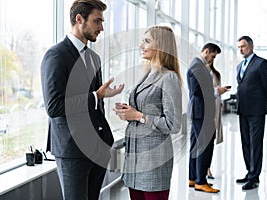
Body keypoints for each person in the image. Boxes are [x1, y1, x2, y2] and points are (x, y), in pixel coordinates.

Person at [40, 0, 124, 199]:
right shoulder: (56, 55)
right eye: (97, 21)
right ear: (79, 19)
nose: (102, 27)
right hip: (72, 150)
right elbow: (54, 107)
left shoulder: (93, 58)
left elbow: (94, 103)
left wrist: (102, 97)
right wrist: (96, 96)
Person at [114, 26, 182, 200]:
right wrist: (127, 112)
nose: (141, 45)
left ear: (161, 46)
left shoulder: (169, 78)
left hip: (154, 160)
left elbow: (173, 125)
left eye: (147, 41)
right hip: (135, 160)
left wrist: (138, 116)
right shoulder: (147, 74)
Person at [235, 36, 267, 190]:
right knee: (246, 143)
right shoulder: (240, 66)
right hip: (242, 110)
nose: (241, 49)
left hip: (256, 111)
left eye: (243, 46)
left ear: (251, 47)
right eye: (239, 47)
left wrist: (265, 105)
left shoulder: (261, 63)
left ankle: (254, 178)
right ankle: (249, 172)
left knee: (255, 144)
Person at [187, 43, 221, 193]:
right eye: (213, 56)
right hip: (201, 112)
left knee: (196, 144)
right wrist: (216, 91)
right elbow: (197, 91)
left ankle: (193, 177)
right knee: (204, 145)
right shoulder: (197, 66)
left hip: (199, 112)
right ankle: (201, 181)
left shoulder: (199, 65)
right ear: (206, 51)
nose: (212, 59)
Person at [207, 62, 230, 179]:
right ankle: (202, 169)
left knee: (211, 141)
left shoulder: (216, 74)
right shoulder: (199, 73)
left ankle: (207, 167)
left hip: (215, 108)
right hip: (205, 110)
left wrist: (220, 90)